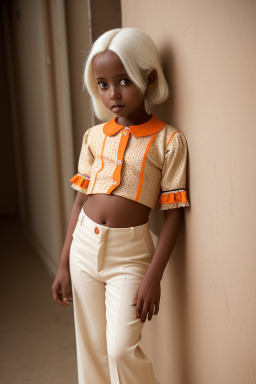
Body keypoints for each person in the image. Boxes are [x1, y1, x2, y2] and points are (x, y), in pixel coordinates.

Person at [52, 27, 189, 384]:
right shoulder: (95, 136)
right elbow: (80, 199)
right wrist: (64, 261)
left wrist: (153, 276)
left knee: (120, 348)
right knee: (92, 347)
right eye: (103, 84)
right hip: (83, 245)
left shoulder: (168, 141)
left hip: (130, 255)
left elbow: (174, 217)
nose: (113, 94)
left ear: (149, 77)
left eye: (124, 81)